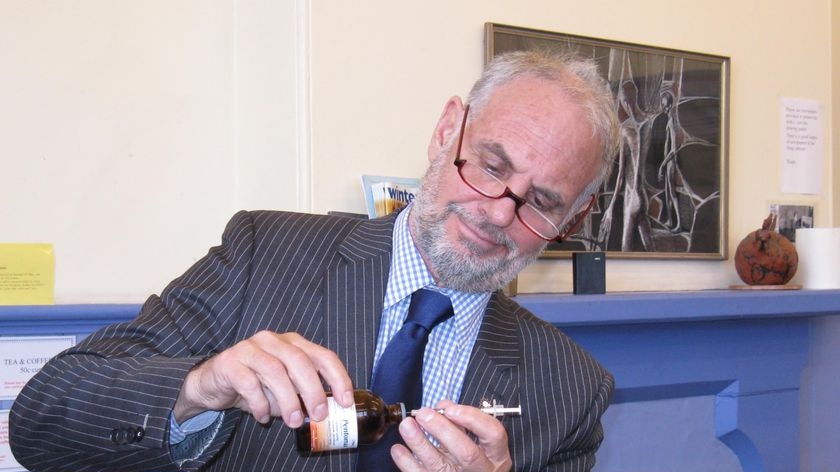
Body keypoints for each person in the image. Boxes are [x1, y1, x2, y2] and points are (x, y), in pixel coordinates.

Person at [10, 49, 619, 472]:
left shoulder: (571, 389)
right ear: (447, 129)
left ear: (574, 217)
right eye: (490, 165)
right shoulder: (263, 253)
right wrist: (198, 387)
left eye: (541, 202)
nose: (498, 213)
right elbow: (42, 422)